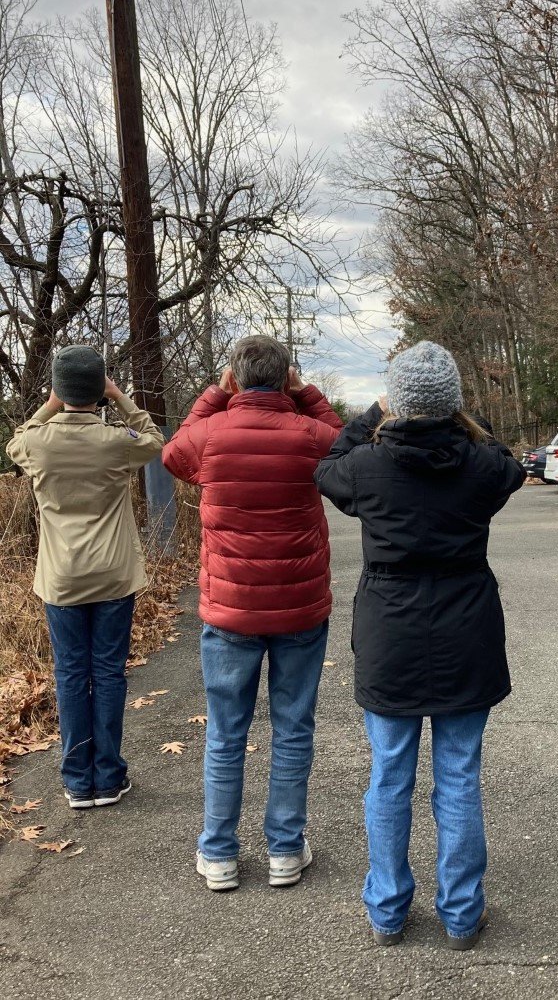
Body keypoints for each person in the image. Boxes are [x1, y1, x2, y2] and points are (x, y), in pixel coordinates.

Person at [315, 341, 525, 950]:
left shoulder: (368, 468)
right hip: (467, 631)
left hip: (391, 634)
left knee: (388, 775)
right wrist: (458, 414)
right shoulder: (482, 467)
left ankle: (387, 909)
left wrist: (374, 410)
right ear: (455, 405)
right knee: (458, 776)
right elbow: (505, 459)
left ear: (397, 403)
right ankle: (461, 913)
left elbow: (329, 462)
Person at [162, 336, 343, 891]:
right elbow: (348, 449)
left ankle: (218, 853)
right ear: (286, 376)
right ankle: (285, 850)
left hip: (230, 609)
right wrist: (307, 393)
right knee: (292, 729)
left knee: (226, 732)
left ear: (234, 379)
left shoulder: (212, 434)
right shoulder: (310, 435)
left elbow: (173, 453)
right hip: (300, 609)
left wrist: (215, 396)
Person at [6, 346, 165, 809]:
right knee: (109, 673)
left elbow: (18, 436)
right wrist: (119, 397)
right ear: (99, 389)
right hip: (113, 575)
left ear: (58, 389)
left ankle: (78, 780)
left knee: (71, 674)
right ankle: (110, 776)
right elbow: (153, 438)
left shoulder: (37, 444)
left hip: (61, 579)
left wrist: (52, 404)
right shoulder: (116, 441)